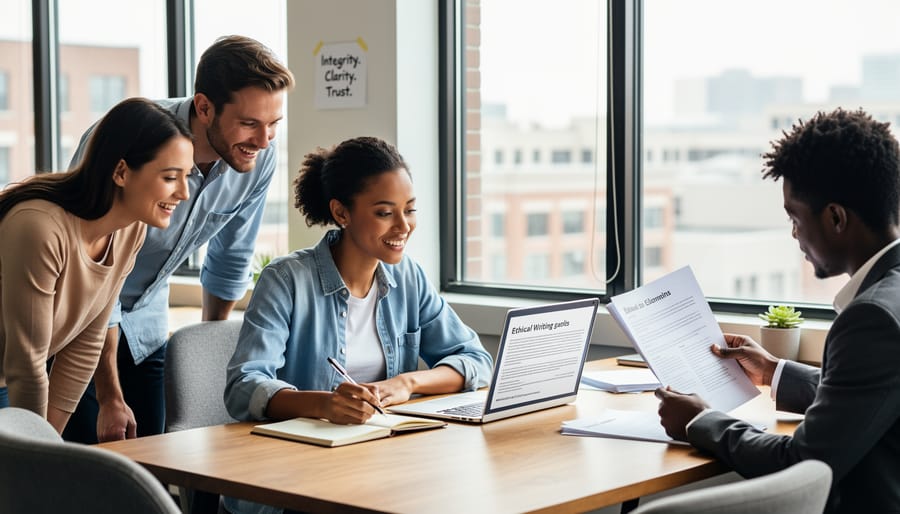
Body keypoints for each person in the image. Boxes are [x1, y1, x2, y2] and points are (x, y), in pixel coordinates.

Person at [224, 136, 493, 514]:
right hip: (294, 483)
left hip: (381, 468)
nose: (404, 226)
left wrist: (407, 383)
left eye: (410, 210)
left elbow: (475, 360)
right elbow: (243, 386)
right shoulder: (286, 280)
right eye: (385, 213)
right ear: (342, 213)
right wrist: (325, 404)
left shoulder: (409, 278)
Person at [655, 108, 900, 513]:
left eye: (794, 216)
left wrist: (701, 421)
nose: (794, 234)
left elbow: (801, 462)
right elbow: (868, 396)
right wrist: (773, 371)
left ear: (836, 218)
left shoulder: (871, 318)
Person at [63, 35, 295, 444]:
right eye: (249, 123)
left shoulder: (257, 158)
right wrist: (109, 394)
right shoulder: (130, 140)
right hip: (79, 323)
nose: (263, 141)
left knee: (154, 463)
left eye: (273, 125)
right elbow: (94, 273)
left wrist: (206, 361)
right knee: (86, 468)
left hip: (147, 327)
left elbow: (230, 258)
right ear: (204, 107)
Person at [0, 97, 193, 434]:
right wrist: (34, 458)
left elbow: (86, 341)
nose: (184, 193)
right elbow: (27, 364)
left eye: (187, 177)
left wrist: (48, 443)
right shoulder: (39, 227)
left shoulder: (130, 229)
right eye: (170, 177)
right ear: (121, 172)